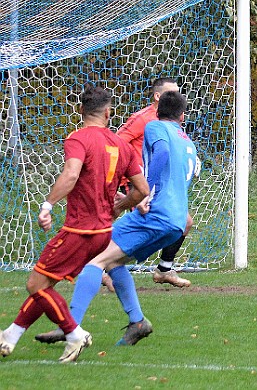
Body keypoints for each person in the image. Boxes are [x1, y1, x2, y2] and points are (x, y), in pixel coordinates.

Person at [0, 84, 148, 363]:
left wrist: (47, 205)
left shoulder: (78, 139)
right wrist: (119, 207)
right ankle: (10, 335)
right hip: (103, 232)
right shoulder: (121, 145)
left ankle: (74, 333)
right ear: (108, 112)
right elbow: (141, 190)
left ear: (80, 110)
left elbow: (70, 175)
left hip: (80, 231)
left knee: (36, 285)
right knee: (45, 284)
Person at [50, 90, 198, 352]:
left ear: (157, 110)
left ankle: (70, 328)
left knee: (94, 258)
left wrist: (147, 191)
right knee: (114, 261)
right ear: (182, 115)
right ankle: (137, 322)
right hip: (175, 222)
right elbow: (188, 174)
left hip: (157, 215)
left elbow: (161, 153)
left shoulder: (155, 127)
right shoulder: (187, 141)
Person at [115, 77, 194, 288]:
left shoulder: (171, 125)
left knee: (184, 222)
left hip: (158, 182)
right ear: (158, 96)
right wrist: (130, 174)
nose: (176, 96)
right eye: (171, 92)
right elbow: (117, 142)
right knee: (139, 225)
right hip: (138, 180)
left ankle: (164, 269)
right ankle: (101, 265)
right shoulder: (144, 120)